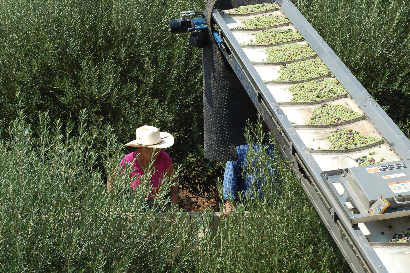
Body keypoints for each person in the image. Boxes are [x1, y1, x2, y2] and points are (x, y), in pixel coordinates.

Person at [107, 125, 178, 208]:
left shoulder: (164, 159)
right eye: (149, 148)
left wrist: (174, 210)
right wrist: (112, 205)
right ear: (140, 148)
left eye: (157, 148)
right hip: (133, 205)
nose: (155, 151)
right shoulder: (129, 161)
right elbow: (111, 179)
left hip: (158, 204)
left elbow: (174, 185)